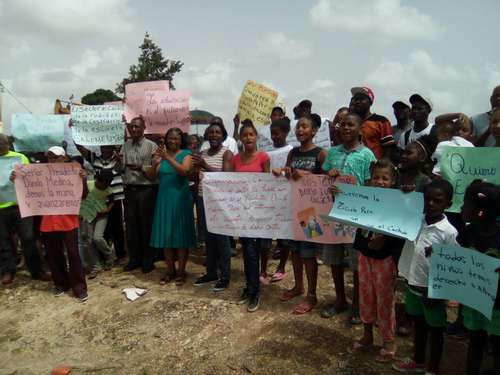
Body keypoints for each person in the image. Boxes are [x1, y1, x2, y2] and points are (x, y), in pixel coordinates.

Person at [393, 179, 458, 374]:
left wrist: (438, 292)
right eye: (427, 199)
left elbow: (452, 265)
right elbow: (394, 213)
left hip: (432, 292)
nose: (430, 204)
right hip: (412, 284)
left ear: (448, 204)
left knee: (435, 330)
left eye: (437, 200)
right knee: (418, 324)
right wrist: (406, 195)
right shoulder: (414, 219)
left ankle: (433, 368)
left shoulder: (448, 232)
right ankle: (418, 360)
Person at [11, 146, 88, 301]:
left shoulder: (73, 173)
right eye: (50, 157)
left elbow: (84, 195)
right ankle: (61, 283)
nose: (53, 160)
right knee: (53, 254)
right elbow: (28, 191)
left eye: (56, 157)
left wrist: (83, 180)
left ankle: (79, 287)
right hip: (47, 222)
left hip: (68, 221)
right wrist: (16, 179)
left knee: (73, 255)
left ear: (64, 158)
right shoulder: (40, 174)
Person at [321, 113, 376, 323]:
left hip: (356, 217)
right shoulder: (332, 153)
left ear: (360, 129)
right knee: (334, 260)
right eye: (342, 124)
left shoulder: (367, 156)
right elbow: (322, 179)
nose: (345, 128)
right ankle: (340, 299)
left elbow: (370, 186)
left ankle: (357, 305)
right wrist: (329, 175)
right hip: (333, 215)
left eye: (350, 125)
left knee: (356, 263)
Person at [348, 159, 405, 362]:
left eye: (385, 178)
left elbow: (402, 229)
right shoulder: (365, 196)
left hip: (385, 259)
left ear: (393, 181)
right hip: (365, 255)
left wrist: (385, 238)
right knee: (365, 295)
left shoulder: (399, 201)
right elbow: (349, 209)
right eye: (376, 178)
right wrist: (338, 195)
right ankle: (367, 334)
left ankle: (389, 341)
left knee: (384, 299)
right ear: (370, 180)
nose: (380, 181)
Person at [274, 114, 327, 314]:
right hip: (293, 208)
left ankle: (311, 295)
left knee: (308, 254)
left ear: (314, 131)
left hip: (310, 212)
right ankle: (298, 286)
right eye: (298, 127)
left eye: (304, 127)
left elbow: (327, 181)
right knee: (294, 251)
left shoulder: (321, 153)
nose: (300, 130)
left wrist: (308, 175)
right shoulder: (294, 152)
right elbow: (289, 171)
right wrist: (283, 171)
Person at [458, 181, 500, 375]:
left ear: (480, 211)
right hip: (474, 300)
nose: (461, 207)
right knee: (475, 339)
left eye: (465, 203)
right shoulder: (468, 232)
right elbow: (457, 256)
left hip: (497, 305)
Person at [230, 121, 270, 312]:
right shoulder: (235, 159)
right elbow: (227, 182)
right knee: (246, 250)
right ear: (240, 138)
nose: (247, 138)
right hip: (242, 212)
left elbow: (269, 184)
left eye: (251, 135)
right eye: (244, 135)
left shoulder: (264, 157)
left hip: (258, 212)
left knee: (254, 251)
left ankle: (255, 291)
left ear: (256, 137)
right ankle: (250, 286)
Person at [0, 134, 50, 284]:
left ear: (8, 143)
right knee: (3, 241)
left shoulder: (20, 158)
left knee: (28, 239)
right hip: (1, 207)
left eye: (2, 142)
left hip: (21, 205)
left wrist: (20, 176)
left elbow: (31, 179)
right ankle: (8, 271)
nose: (0, 145)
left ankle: (36, 271)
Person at [148, 128, 195, 286]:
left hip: (180, 199)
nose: (173, 141)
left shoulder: (186, 154)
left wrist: (167, 157)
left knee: (180, 237)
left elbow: (185, 171)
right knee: (166, 236)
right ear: (166, 140)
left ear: (181, 140)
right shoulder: (159, 155)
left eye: (176, 139)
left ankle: (181, 271)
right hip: (164, 199)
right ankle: (170, 270)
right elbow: (151, 177)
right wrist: (154, 164)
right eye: (170, 138)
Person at [193, 122, 233, 291]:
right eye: (211, 132)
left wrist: (204, 165)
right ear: (207, 136)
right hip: (203, 198)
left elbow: (226, 175)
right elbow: (197, 176)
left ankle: (225, 275)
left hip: (220, 201)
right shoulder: (202, 153)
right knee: (208, 238)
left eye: (217, 132)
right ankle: (211, 272)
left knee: (222, 239)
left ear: (223, 135)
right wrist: (194, 169)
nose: (214, 135)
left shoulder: (227, 153)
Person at [75, 144, 125, 262]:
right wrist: (75, 130)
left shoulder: (118, 159)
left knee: (117, 227)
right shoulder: (94, 158)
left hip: (115, 198)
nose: (105, 149)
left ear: (112, 148)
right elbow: (80, 148)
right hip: (99, 200)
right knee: (103, 229)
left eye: (108, 147)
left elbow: (122, 167)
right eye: (103, 147)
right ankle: (105, 256)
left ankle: (120, 254)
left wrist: (120, 160)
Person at [121, 116, 158, 273]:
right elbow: (121, 168)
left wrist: (141, 168)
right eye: (131, 127)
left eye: (137, 126)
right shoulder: (125, 146)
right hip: (129, 190)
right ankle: (134, 259)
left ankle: (148, 259)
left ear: (144, 128)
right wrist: (118, 163)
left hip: (146, 190)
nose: (134, 129)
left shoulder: (152, 146)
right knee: (131, 227)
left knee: (146, 226)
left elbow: (154, 173)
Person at [265, 118, 294, 283]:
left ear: (286, 133)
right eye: (272, 134)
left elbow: (291, 171)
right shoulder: (267, 153)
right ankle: (263, 268)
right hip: (269, 198)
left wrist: (283, 172)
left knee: (285, 236)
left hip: (286, 199)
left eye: (277, 133)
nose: (274, 136)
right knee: (267, 235)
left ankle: (281, 266)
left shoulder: (292, 150)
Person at [79, 169, 115, 279]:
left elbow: (112, 202)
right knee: (88, 241)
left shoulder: (109, 190)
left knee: (97, 238)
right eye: (99, 181)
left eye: (104, 182)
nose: (100, 184)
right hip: (87, 215)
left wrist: (107, 210)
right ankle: (96, 266)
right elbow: (82, 196)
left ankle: (109, 255)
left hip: (101, 216)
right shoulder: (89, 185)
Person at [349, 86, 394, 159]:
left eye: (361, 99)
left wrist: (382, 166)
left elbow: (388, 148)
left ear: (370, 102)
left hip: (374, 166)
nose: (357, 102)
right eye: (356, 99)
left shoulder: (382, 121)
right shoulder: (350, 122)